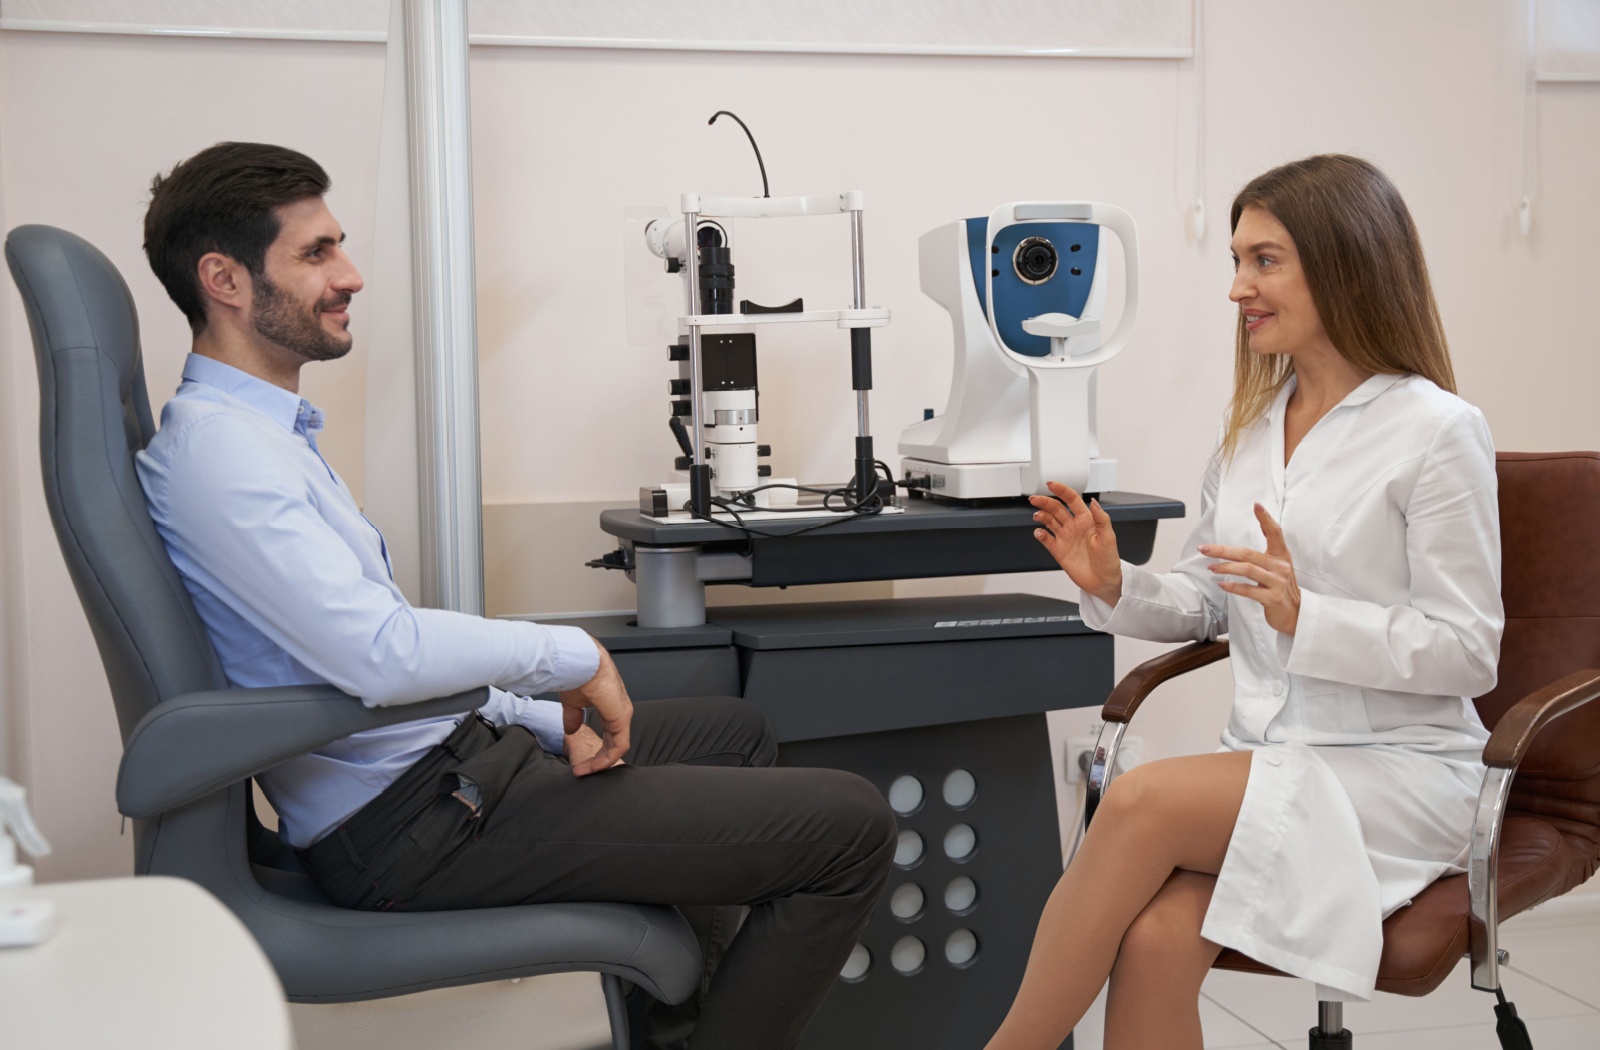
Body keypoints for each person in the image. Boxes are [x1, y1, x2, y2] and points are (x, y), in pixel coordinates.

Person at [134, 141, 894, 1050]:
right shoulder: (224, 455)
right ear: (223, 278)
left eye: (340, 245)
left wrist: (530, 718)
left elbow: (369, 652)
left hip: (448, 769)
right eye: (316, 254)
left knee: (737, 734)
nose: (351, 274)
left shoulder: (264, 436)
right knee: (851, 830)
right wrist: (570, 656)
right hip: (412, 826)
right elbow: (376, 654)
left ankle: (680, 1024)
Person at [984, 154, 1502, 1050]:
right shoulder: (1252, 431)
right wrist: (1115, 586)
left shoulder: (1436, 430)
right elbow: (1208, 601)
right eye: (1235, 261)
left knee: (1139, 800)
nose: (1237, 289)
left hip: (1397, 771)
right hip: (1271, 763)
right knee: (1151, 943)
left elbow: (1468, 650)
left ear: (1343, 264)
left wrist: (1315, 617)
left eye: (1264, 260)